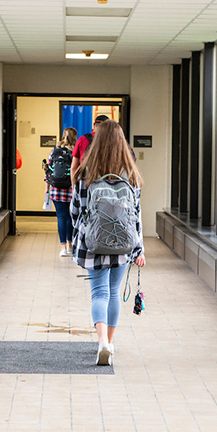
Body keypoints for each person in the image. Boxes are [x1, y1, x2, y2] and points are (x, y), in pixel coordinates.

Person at [70, 119, 146, 366]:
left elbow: (76, 210)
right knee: (114, 292)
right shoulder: (131, 176)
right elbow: (136, 215)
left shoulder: (85, 173)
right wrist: (139, 248)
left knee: (99, 292)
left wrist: (79, 233)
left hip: (93, 244)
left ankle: (101, 340)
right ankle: (110, 343)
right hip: (123, 245)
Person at [45, 127, 77, 256]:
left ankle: (63, 247)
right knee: (70, 217)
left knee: (61, 217)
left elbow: (48, 170)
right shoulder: (75, 151)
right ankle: (70, 245)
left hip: (56, 190)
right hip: (71, 189)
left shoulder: (54, 151)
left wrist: (47, 189)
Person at [70, 114, 108, 180]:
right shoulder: (111, 141)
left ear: (94, 125)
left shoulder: (82, 140)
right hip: (105, 182)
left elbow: (74, 167)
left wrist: (74, 187)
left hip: (86, 181)